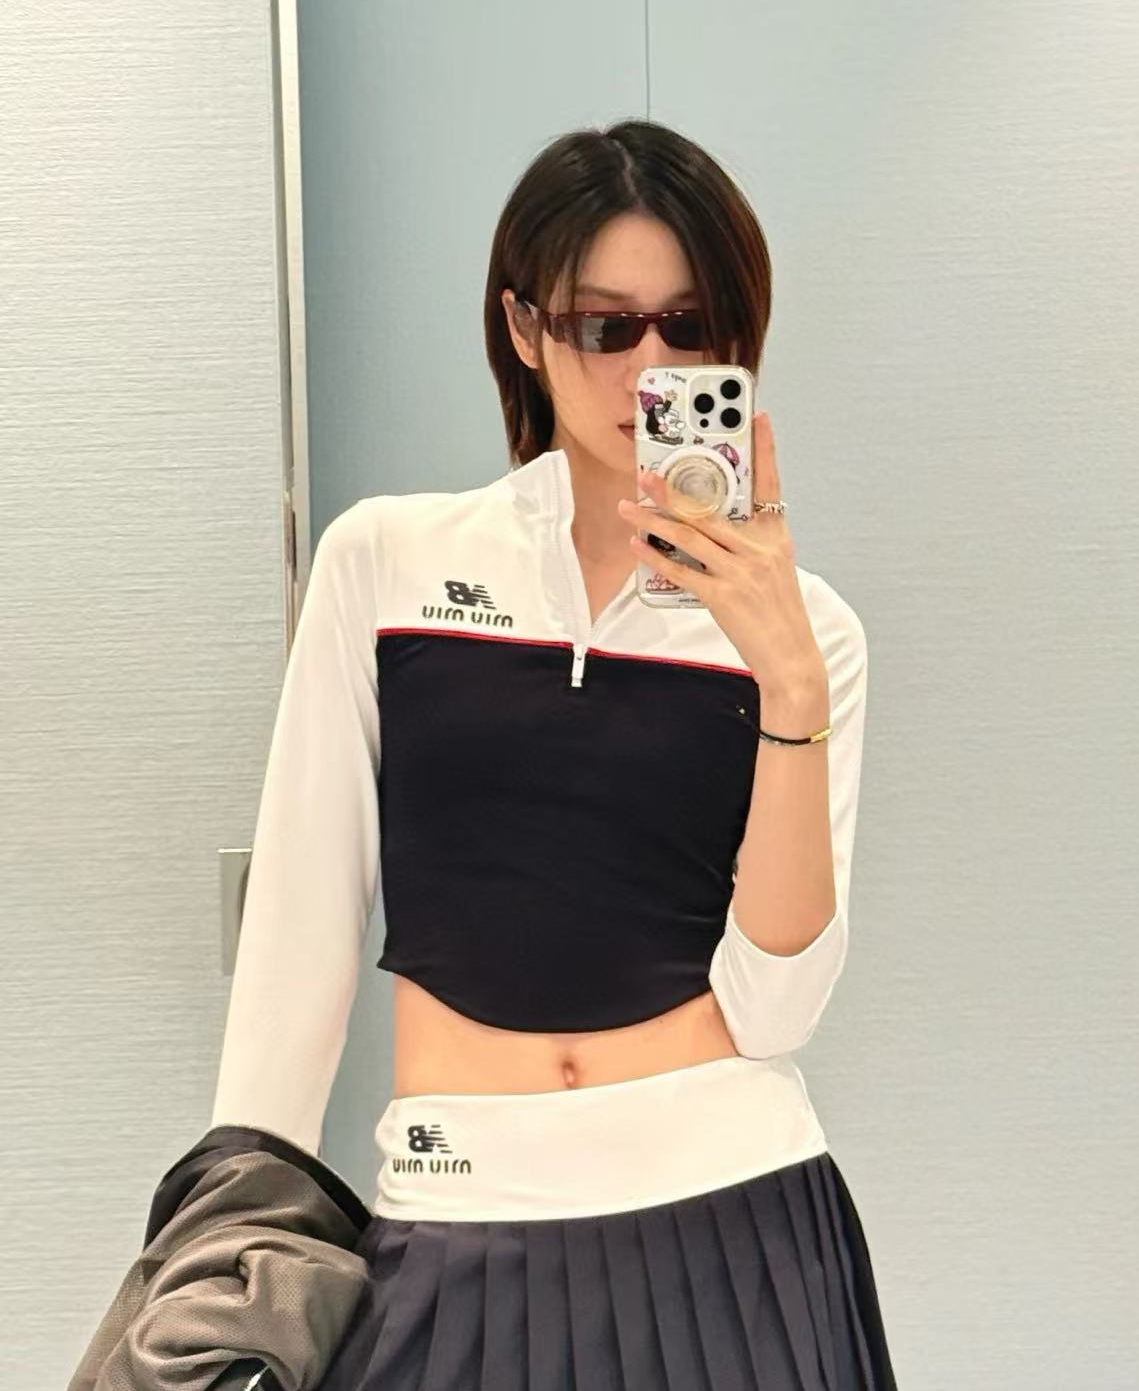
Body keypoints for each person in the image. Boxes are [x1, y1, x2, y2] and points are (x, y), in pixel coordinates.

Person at [209, 118, 898, 1389]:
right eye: (604, 325)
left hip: (736, 1225)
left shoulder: (811, 637)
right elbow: (300, 924)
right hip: (456, 1208)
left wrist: (788, 680)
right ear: (526, 330)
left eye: (690, 326)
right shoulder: (385, 563)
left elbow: (776, 1006)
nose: (652, 365)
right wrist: (230, 1231)